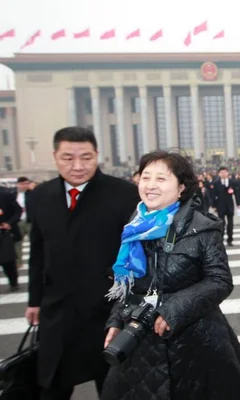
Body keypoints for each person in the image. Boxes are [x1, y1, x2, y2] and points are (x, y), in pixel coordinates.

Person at [101, 150, 240, 400]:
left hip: (194, 344)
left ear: (181, 187)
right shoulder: (134, 227)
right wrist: (116, 321)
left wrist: (174, 310)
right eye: (145, 177)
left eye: (161, 179)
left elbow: (220, 280)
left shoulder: (203, 227)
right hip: (143, 348)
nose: (150, 185)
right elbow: (130, 285)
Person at [25, 127, 140, 400]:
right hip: (58, 309)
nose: (78, 166)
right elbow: (38, 252)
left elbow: (138, 252)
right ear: (55, 156)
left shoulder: (123, 194)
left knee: (113, 386)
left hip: (107, 310)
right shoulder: (40, 196)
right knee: (52, 386)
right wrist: (34, 300)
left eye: (86, 157)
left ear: (97, 155)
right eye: (68, 158)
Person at [211, 166, 239, 246]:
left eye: (225, 172)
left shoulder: (232, 182)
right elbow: (214, 195)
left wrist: (238, 204)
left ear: (227, 173)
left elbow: (237, 194)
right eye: (221, 172)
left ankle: (230, 239)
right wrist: (214, 205)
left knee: (230, 224)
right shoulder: (216, 183)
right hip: (220, 206)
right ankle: (221, 239)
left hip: (230, 206)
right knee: (221, 223)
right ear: (219, 174)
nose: (223, 174)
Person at [0, 190, 22, 291]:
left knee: (7, 260)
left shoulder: (5, 195)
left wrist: (10, 223)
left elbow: (18, 211)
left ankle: (13, 282)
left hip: (4, 231)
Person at [14, 176, 32, 268]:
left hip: (30, 221)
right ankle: (18, 261)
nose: (25, 186)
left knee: (35, 242)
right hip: (17, 222)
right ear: (18, 185)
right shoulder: (12, 194)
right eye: (23, 184)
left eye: (27, 183)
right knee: (17, 243)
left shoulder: (33, 194)